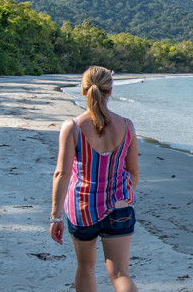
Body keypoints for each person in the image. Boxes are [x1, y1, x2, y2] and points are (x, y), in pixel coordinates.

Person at [50, 66, 140, 292]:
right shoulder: (127, 126)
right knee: (120, 273)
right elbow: (134, 172)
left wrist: (55, 216)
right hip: (119, 207)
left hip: (81, 208)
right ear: (110, 92)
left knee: (85, 266)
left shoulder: (72, 127)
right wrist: (122, 198)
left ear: (83, 91)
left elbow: (62, 173)